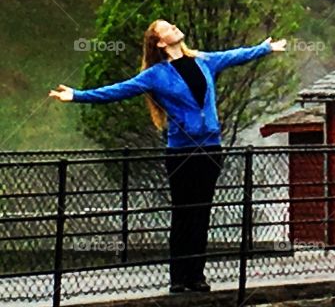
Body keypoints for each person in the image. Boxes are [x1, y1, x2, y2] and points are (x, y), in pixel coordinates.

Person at [49, 20, 286, 294]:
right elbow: (118, 90)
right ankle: (179, 278)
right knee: (183, 214)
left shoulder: (202, 60)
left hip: (210, 149)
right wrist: (77, 96)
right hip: (182, 152)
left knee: (201, 213)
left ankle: (196, 276)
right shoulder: (156, 75)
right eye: (167, 28)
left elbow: (234, 55)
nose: (174, 27)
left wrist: (264, 48)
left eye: (173, 25)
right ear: (160, 43)